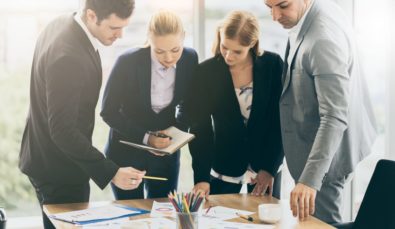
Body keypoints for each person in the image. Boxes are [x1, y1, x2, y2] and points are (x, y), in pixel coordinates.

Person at [19, 1, 146, 228]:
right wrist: (112, 172)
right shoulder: (69, 57)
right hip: (59, 169)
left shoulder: (61, 23)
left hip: (43, 157)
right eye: (114, 28)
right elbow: (63, 130)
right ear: (91, 15)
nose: (120, 35)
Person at [264, 0, 377, 224]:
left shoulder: (323, 40)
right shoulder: (315, 9)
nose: (275, 16)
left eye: (283, 5)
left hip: (324, 162)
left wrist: (310, 180)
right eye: (269, 7)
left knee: (321, 226)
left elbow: (334, 116)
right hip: (314, 149)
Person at [180, 11, 283, 198]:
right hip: (224, 165)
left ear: (252, 44)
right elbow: (200, 128)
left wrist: (270, 167)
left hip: (264, 164)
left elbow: (281, 121)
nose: (228, 55)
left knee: (265, 223)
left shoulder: (273, 65)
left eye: (237, 51)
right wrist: (201, 177)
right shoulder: (205, 73)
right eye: (225, 47)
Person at [100, 10, 198, 200]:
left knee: (163, 216)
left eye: (175, 50)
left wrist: (175, 133)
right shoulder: (127, 62)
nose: (169, 58)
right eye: (160, 51)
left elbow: (190, 105)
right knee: (131, 218)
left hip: (165, 158)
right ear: (149, 40)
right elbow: (108, 111)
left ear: (184, 38)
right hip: (125, 155)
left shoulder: (190, 59)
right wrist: (146, 138)